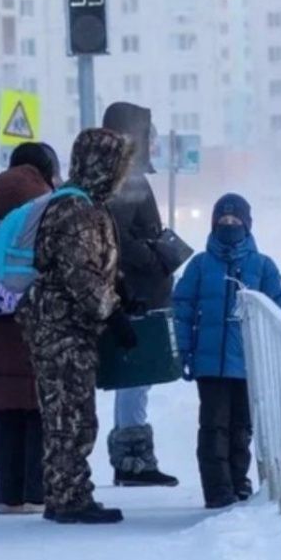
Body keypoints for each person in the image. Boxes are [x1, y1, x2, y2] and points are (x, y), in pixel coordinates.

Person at [16, 128, 136, 524]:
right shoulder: (76, 210)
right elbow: (79, 274)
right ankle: (67, 499)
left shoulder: (85, 204)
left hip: (67, 327)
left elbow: (93, 266)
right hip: (61, 331)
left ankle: (69, 493)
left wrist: (119, 293)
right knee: (69, 416)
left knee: (73, 413)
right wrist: (112, 312)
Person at [173, 194, 281, 509]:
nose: (229, 225)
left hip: (248, 364)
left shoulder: (263, 267)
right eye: (223, 221)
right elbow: (181, 309)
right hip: (209, 363)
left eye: (235, 221)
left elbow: (277, 313)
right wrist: (183, 351)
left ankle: (240, 484)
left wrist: (269, 357)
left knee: (241, 428)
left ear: (247, 224)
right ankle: (217, 490)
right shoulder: (199, 265)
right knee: (213, 427)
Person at [101, 102, 179, 487]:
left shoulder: (120, 175)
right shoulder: (124, 179)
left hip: (137, 290)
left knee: (136, 378)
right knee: (136, 376)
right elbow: (118, 236)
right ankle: (133, 460)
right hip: (136, 293)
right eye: (147, 133)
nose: (153, 139)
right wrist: (155, 255)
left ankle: (131, 457)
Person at [0, 164, 52, 514]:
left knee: (4, 419)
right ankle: (35, 493)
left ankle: (8, 495)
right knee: (36, 415)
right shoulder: (25, 236)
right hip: (28, 341)